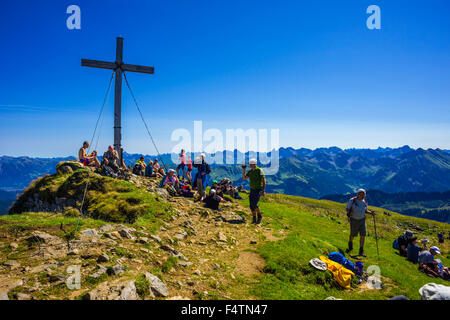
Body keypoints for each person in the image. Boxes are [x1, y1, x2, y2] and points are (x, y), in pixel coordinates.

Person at [345, 189, 375, 257]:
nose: (362, 196)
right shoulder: (352, 200)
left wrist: (371, 213)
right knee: (353, 234)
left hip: (362, 220)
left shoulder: (365, 201)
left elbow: (366, 210)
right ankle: (350, 243)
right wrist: (349, 211)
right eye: (361, 194)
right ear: (358, 194)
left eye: (364, 195)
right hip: (354, 220)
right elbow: (347, 209)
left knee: (363, 235)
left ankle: (361, 250)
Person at [242, 158, 266, 224]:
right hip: (252, 189)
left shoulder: (260, 170)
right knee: (251, 205)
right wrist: (244, 171)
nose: (251, 165)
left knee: (254, 204)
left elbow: (264, 180)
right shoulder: (250, 171)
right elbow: (244, 178)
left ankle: (259, 216)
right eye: (251, 164)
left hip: (258, 189)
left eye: (252, 164)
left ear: (255, 164)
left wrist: (263, 190)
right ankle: (254, 218)